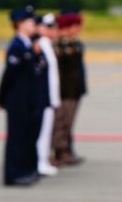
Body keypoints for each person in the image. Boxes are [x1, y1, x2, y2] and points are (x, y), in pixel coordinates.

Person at [0, 6, 44, 186]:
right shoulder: (16, 46)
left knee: (26, 137)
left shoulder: (27, 45)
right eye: (30, 21)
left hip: (28, 100)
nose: (34, 25)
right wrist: (1, 99)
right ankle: (13, 175)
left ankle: (25, 170)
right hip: (17, 101)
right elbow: (9, 76)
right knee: (16, 139)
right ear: (19, 24)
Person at [52, 11, 87, 166]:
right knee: (61, 122)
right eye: (75, 25)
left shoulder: (74, 42)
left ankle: (66, 149)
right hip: (64, 90)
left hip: (74, 89)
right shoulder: (60, 44)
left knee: (68, 122)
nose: (78, 28)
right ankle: (60, 151)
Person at [34, 13, 61, 176]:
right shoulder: (41, 44)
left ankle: (43, 160)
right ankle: (40, 161)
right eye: (48, 27)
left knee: (46, 131)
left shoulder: (47, 44)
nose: (53, 30)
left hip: (50, 96)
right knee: (41, 132)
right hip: (44, 97)